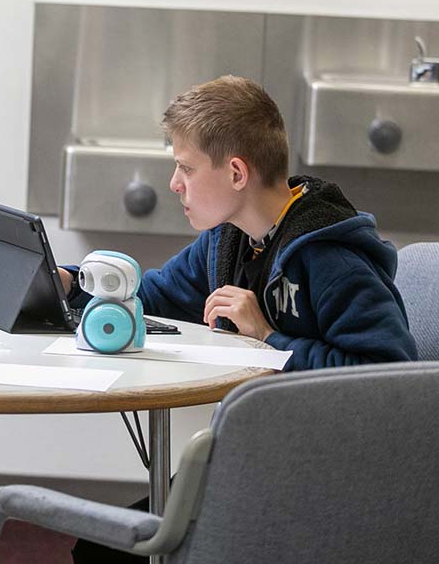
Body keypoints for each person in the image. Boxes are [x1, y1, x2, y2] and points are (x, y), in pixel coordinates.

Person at [63, 75, 417, 563]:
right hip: (264, 456)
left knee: (115, 553)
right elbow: (157, 295)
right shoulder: (227, 239)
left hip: (328, 479)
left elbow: (388, 380)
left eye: (186, 167)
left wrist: (270, 337)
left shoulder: (331, 259)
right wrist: (74, 281)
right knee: (103, 549)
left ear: (235, 173)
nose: (174, 184)